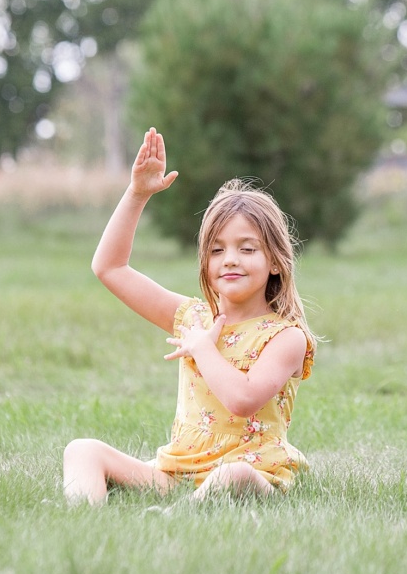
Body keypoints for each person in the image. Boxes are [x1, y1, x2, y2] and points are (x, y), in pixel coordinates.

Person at [63, 128, 316, 505]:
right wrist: (137, 194)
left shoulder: (285, 337)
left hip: (251, 472)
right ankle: (83, 523)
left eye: (246, 249)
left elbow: (242, 400)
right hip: (177, 471)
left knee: (234, 475)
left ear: (276, 262)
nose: (229, 258)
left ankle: (174, 521)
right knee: (82, 450)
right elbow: (110, 268)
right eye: (217, 250)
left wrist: (201, 347)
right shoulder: (192, 316)